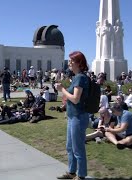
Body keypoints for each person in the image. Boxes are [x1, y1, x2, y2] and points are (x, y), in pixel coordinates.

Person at [56, 51, 89, 180]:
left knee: (78, 148)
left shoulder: (80, 77)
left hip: (78, 117)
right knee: (70, 147)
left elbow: (75, 99)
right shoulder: (76, 77)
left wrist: (62, 90)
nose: (69, 63)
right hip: (72, 116)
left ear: (79, 63)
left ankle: (81, 176)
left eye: (71, 61)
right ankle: (71, 172)